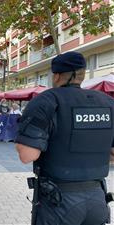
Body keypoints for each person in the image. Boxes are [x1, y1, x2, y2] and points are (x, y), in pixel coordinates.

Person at [14, 52, 114, 225]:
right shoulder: (108, 103)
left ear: (56, 76)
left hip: (59, 202)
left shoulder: (46, 101)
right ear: (82, 74)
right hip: (97, 199)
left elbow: (27, 155)